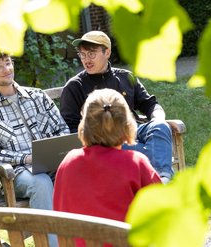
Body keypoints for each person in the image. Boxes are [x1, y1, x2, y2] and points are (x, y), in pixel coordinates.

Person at [60, 30, 174, 183]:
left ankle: (162, 180)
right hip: (106, 142)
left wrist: (158, 119)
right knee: (151, 149)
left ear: (107, 52)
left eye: (91, 54)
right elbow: (71, 128)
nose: (86, 59)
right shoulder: (74, 87)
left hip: (135, 130)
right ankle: (159, 182)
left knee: (160, 126)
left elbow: (150, 104)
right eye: (82, 54)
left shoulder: (126, 77)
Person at [0, 49, 70, 212]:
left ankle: (87, 236)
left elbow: (61, 128)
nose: (6, 69)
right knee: (41, 183)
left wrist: (55, 152)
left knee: (81, 172)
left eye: (8, 63)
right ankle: (51, 238)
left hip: (51, 164)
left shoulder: (38, 96)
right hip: (15, 173)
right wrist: (25, 158)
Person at [54, 88, 161, 224]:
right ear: (127, 125)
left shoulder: (68, 162)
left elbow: (60, 211)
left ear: (85, 125)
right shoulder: (135, 163)